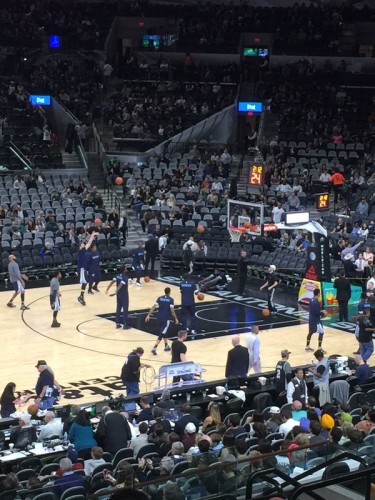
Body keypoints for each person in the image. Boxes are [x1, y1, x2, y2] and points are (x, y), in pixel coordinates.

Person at [146, 287, 179, 355]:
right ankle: (154, 347)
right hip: (166, 319)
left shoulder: (160, 298)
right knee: (162, 333)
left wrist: (148, 314)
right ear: (169, 292)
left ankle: (166, 346)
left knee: (164, 332)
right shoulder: (171, 300)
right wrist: (176, 318)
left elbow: (154, 306)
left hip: (159, 318)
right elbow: (172, 311)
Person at [77, 231, 98, 306]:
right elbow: (89, 243)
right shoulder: (81, 251)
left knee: (85, 283)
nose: (84, 244)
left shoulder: (82, 251)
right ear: (80, 246)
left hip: (84, 269)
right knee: (85, 283)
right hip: (82, 269)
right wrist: (92, 235)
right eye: (82, 244)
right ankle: (81, 296)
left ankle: (81, 296)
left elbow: (88, 243)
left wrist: (91, 235)